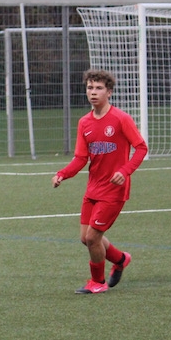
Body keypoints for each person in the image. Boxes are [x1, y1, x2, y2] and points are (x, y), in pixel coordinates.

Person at [52, 69, 147, 294]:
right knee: (86, 238)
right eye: (90, 88)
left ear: (109, 92)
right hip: (93, 188)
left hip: (114, 190)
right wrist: (63, 174)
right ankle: (121, 259)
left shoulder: (120, 119)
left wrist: (125, 171)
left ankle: (98, 282)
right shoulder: (84, 122)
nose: (93, 92)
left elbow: (141, 148)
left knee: (94, 237)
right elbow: (80, 158)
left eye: (99, 88)